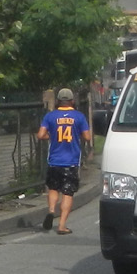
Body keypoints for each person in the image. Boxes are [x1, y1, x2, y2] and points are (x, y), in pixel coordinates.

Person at [36, 88, 93, 235]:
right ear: (72, 101)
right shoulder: (79, 117)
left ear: (58, 101)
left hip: (54, 160)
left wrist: (51, 137)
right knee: (68, 193)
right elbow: (87, 137)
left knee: (53, 188)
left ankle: (51, 210)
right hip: (71, 161)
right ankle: (61, 225)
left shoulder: (50, 116)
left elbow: (41, 135)